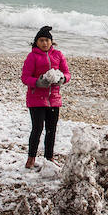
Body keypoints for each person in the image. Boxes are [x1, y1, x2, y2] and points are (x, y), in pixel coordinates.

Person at [21, 25, 70, 169]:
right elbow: (25, 78)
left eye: (47, 40)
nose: (44, 43)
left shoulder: (58, 55)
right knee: (37, 129)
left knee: (51, 129)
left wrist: (62, 79)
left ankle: (49, 158)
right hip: (36, 99)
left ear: (51, 42)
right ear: (36, 42)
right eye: (41, 40)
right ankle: (31, 159)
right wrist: (38, 82)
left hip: (54, 99)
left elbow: (67, 73)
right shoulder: (32, 57)